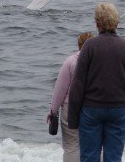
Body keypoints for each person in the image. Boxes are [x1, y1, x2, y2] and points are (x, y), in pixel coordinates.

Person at [68, 2, 125, 162]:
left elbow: (77, 85)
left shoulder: (89, 46)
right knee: (114, 158)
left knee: (89, 157)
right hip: (119, 110)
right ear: (117, 22)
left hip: (91, 110)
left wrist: (73, 120)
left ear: (97, 23)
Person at [48, 32, 94, 162]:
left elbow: (60, 89)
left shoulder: (71, 61)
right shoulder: (99, 63)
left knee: (71, 146)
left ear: (78, 44)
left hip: (70, 108)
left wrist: (53, 111)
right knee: (95, 146)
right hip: (93, 108)